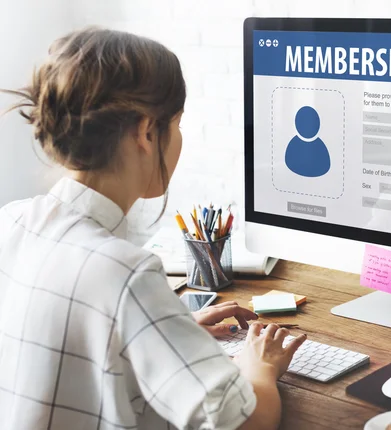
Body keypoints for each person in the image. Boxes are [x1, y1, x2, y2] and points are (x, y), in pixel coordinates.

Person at [0, 27, 306, 430]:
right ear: (146, 132)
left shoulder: (11, 221)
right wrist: (259, 367)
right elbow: (247, 422)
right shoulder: (126, 273)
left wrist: (164, 329)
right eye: (176, 124)